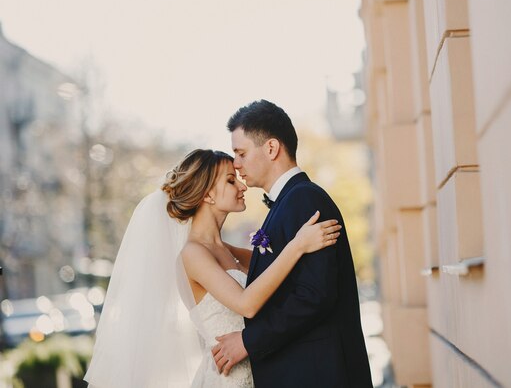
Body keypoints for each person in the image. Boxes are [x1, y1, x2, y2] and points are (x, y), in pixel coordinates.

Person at [84, 149, 341, 388]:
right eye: (231, 181)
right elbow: (246, 303)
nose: (242, 186)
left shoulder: (228, 250)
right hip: (229, 380)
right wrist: (297, 246)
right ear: (207, 194)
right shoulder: (192, 254)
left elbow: (281, 276)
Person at [213, 100, 373, 387]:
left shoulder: (304, 200)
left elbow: (315, 295)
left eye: (241, 153)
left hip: (318, 374)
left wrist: (249, 341)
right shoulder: (287, 204)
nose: (236, 165)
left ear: (271, 148)